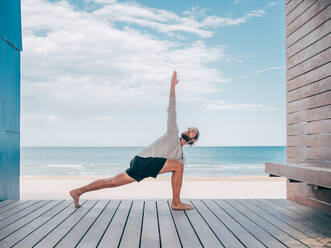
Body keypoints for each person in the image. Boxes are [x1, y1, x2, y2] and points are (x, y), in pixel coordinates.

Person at [69, 71, 200, 210]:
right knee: (179, 167)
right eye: (189, 129)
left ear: (193, 140)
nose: (188, 131)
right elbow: (171, 109)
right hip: (144, 160)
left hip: (141, 164)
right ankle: (176, 203)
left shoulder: (180, 157)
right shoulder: (173, 133)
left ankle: (77, 192)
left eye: (193, 132)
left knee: (112, 182)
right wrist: (172, 86)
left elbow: (177, 177)